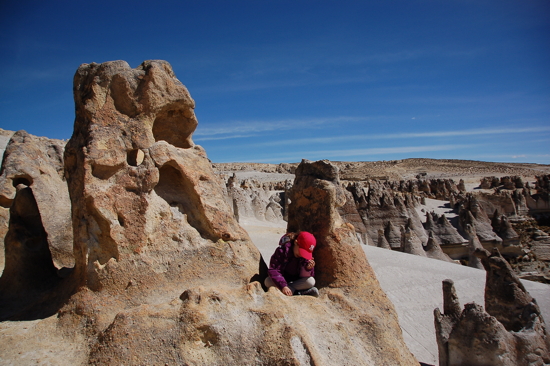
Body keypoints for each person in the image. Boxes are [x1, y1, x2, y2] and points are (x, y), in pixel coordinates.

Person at [264, 231, 319, 297]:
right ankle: (297, 293)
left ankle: (289, 291)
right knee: (267, 281)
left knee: (311, 281)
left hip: (295, 281)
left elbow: (304, 276)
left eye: (305, 253)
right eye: (302, 251)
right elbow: (273, 270)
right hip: (282, 279)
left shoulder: (305, 256)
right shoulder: (282, 251)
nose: (302, 255)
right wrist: (283, 286)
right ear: (296, 243)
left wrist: (307, 268)